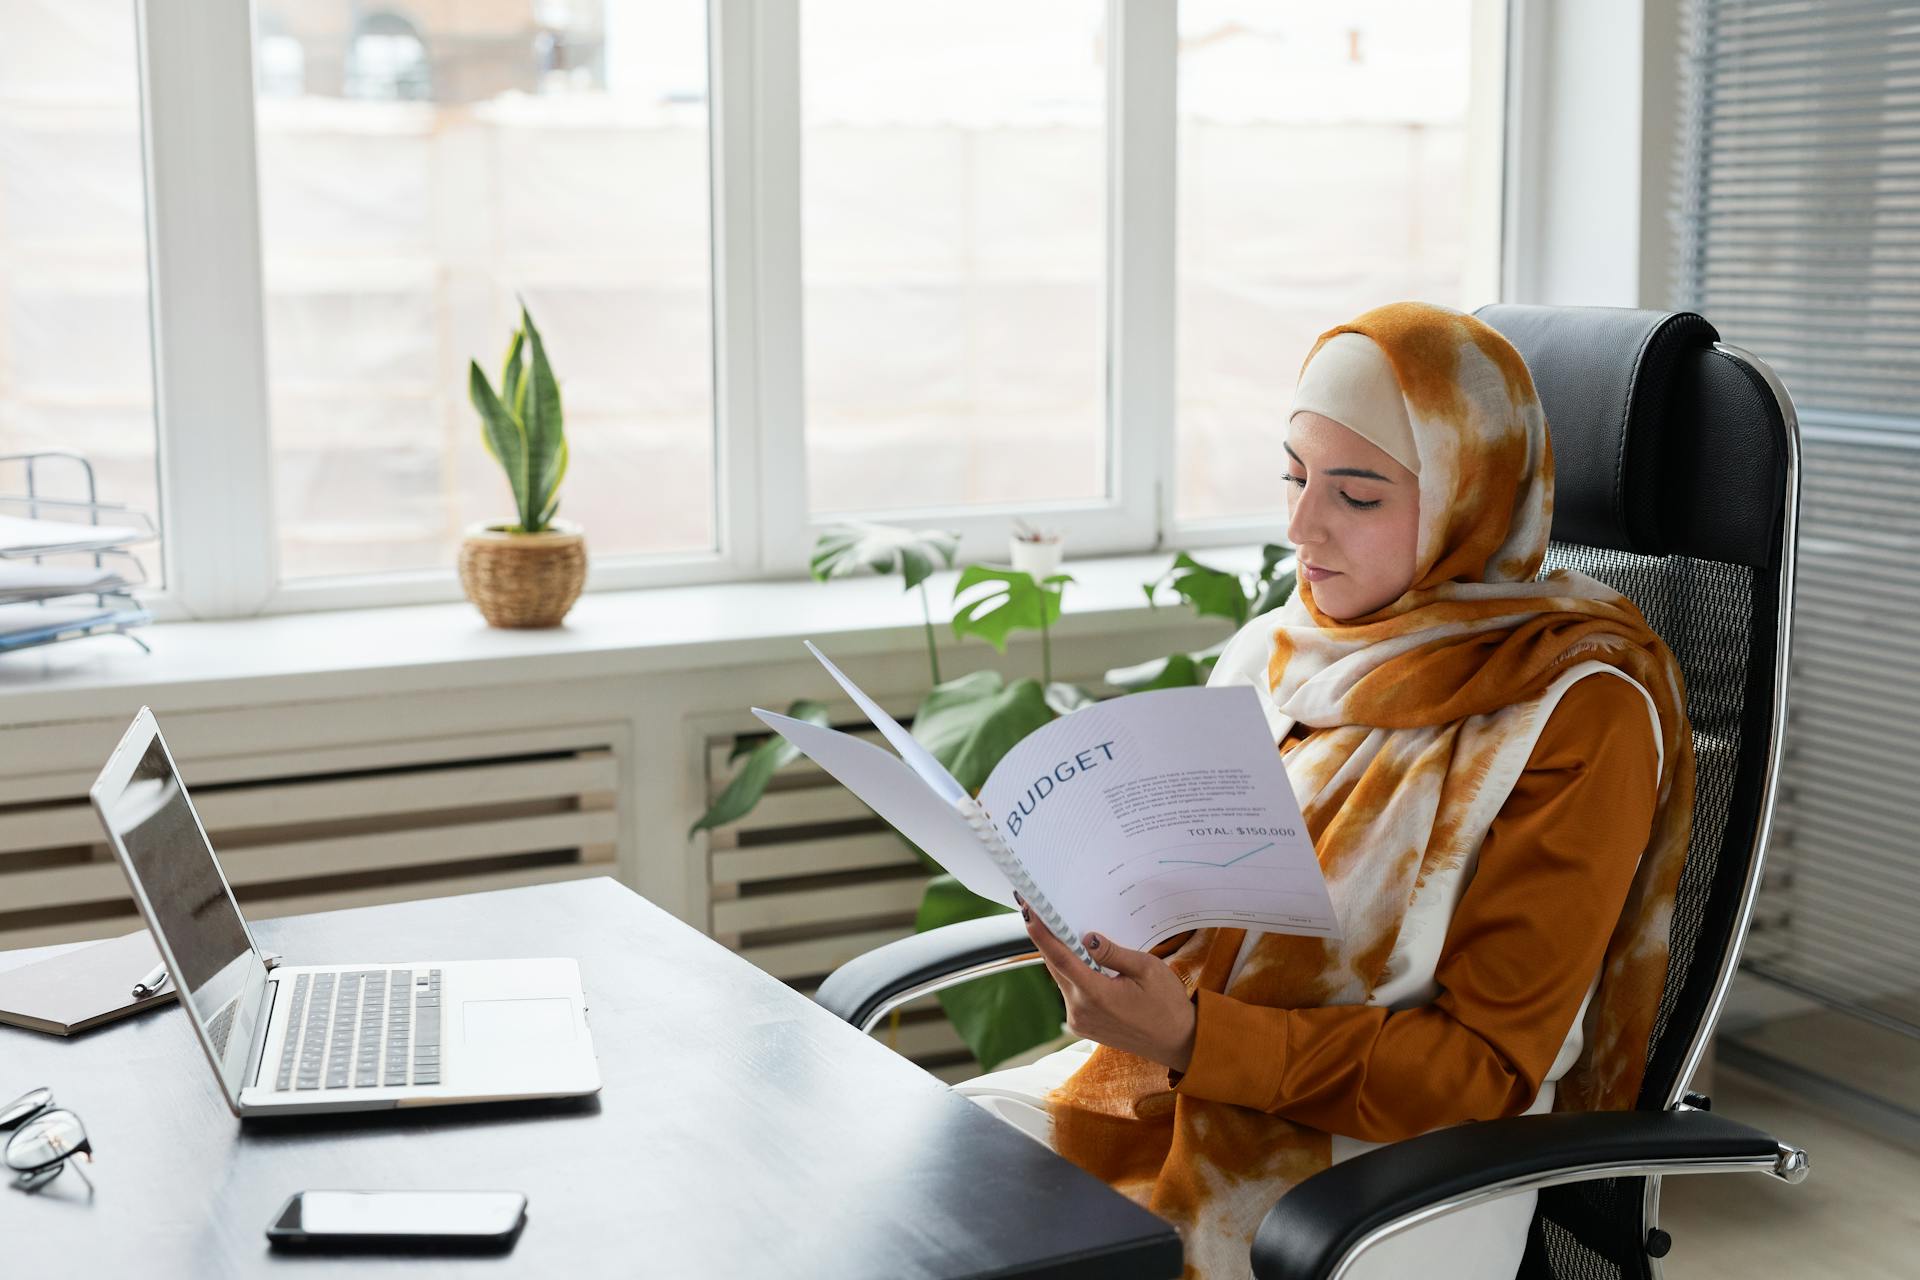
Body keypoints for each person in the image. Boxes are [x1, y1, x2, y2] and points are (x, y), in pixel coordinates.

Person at [954, 301, 1696, 1280]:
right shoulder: (1278, 650)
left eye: (1357, 494)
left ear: (1469, 497)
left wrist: (1194, 1033)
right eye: (1295, 476)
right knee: (931, 1185)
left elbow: (1484, 1071)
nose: (1302, 527)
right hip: (1187, 1091)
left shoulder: (1572, 707)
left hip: (1391, 1179)